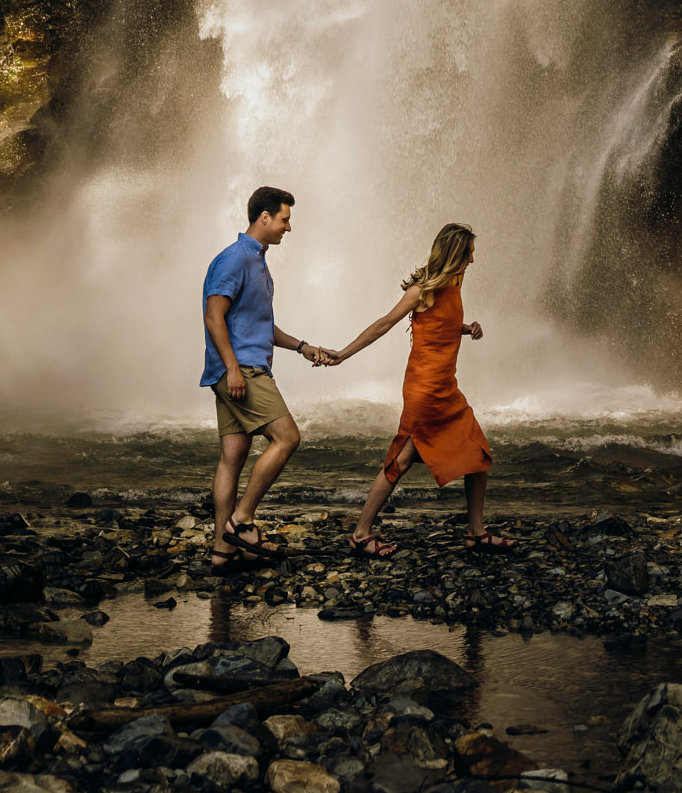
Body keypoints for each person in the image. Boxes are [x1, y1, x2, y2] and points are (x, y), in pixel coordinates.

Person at [329, 220, 511, 556]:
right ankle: (361, 533)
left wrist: (466, 328)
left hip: (445, 387)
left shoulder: (453, 285)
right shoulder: (422, 290)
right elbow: (384, 324)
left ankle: (476, 531)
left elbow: (440, 324)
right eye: (470, 253)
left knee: (477, 454)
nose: (473, 260)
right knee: (402, 458)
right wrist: (342, 354)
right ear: (457, 252)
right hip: (425, 390)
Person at [201, 184, 331, 572]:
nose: (288, 228)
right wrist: (234, 369)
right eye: (285, 219)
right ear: (265, 218)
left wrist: (302, 346)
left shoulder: (257, 261)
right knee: (288, 436)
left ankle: (221, 551)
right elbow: (214, 316)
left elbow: (260, 324)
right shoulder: (234, 259)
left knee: (233, 456)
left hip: (236, 369)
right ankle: (241, 521)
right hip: (242, 371)